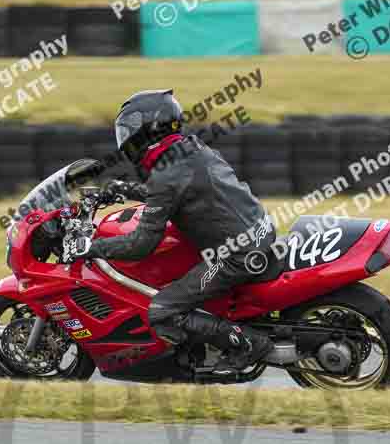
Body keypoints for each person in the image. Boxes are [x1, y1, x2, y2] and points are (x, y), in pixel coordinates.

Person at [77, 89, 277, 376]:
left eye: (131, 130)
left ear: (150, 129)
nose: (127, 139)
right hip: (259, 230)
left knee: (162, 310)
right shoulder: (191, 148)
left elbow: (141, 244)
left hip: (236, 254)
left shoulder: (166, 175)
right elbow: (175, 192)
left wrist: (92, 247)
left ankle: (249, 344)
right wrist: (123, 190)